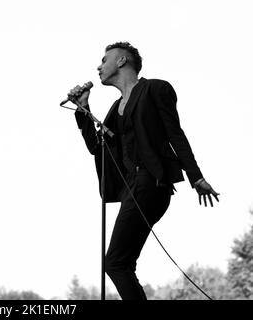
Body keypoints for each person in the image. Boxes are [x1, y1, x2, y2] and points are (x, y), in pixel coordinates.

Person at [70, 42, 220, 300]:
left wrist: (196, 177)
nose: (99, 66)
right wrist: (84, 109)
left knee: (115, 262)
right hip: (132, 186)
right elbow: (98, 147)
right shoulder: (115, 109)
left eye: (104, 60)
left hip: (151, 182)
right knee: (120, 262)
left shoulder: (155, 89)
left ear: (121, 61)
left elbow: (175, 133)